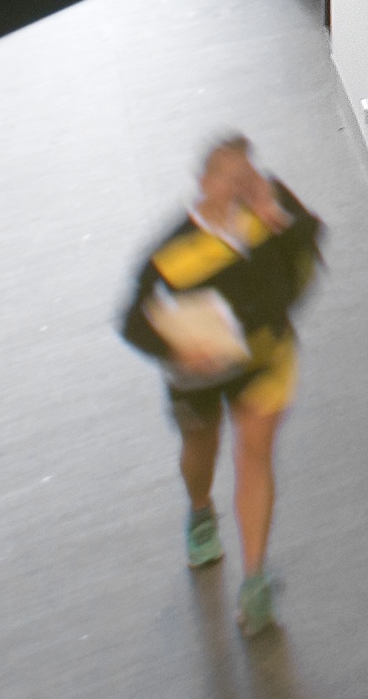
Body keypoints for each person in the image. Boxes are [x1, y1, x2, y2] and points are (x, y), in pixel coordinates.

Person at [119, 134, 322, 636]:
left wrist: (279, 221)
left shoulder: (270, 206)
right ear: (205, 183)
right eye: (231, 179)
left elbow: (309, 249)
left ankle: (255, 581)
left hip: (264, 358)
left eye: (248, 176)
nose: (243, 188)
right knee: (201, 447)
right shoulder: (171, 251)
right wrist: (178, 352)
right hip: (200, 376)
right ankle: (200, 510)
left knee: (254, 455)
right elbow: (132, 320)